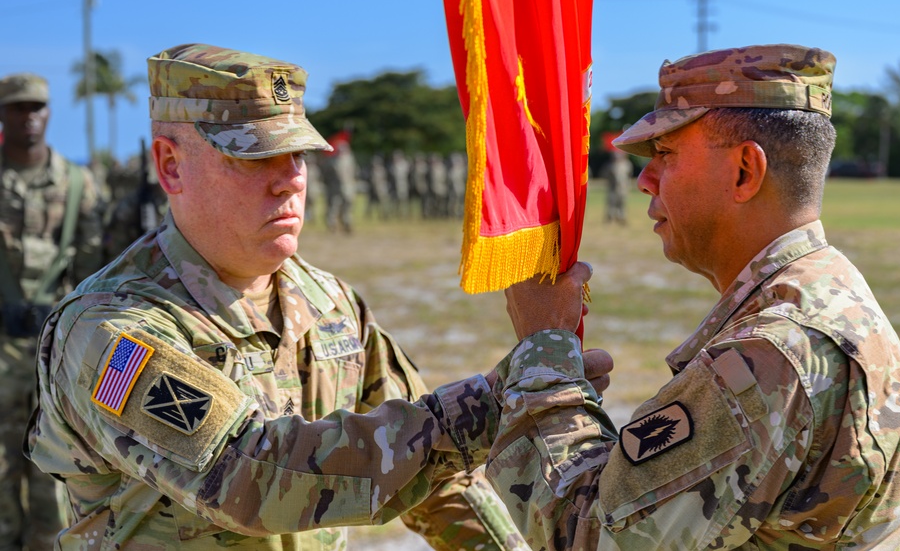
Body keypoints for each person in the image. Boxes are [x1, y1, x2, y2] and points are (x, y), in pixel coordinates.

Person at [25, 44, 553, 549]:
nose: (291, 181)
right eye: (255, 156)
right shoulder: (111, 329)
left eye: (298, 153)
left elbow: (436, 476)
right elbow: (247, 478)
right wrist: (484, 407)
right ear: (171, 165)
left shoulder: (330, 302)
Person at [492, 45, 900, 549]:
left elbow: (586, 536)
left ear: (744, 172)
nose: (646, 181)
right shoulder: (826, 285)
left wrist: (544, 352)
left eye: (666, 154)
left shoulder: (774, 352)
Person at [0, 72, 103, 550]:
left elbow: (92, 274)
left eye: (36, 107)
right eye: (17, 108)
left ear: (49, 113)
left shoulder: (79, 185)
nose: (28, 117)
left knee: (53, 470)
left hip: (51, 353)